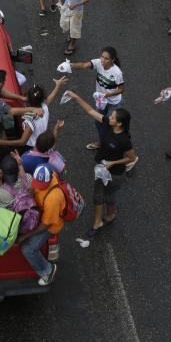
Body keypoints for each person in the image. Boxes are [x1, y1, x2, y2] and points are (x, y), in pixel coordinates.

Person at [63, 91, 136, 237]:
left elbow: (131, 158)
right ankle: (98, 222)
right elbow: (90, 111)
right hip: (102, 168)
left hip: (115, 173)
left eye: (113, 117)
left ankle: (110, 216)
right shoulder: (109, 124)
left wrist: (113, 163)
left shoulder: (123, 140)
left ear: (119, 123)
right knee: (98, 195)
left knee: (110, 196)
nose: (110, 117)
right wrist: (76, 96)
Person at [17, 164, 66, 285]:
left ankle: (47, 271)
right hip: (40, 212)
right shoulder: (45, 175)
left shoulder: (53, 198)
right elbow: (31, 186)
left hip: (50, 224)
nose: (38, 187)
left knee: (28, 249)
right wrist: (20, 166)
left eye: (41, 186)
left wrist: (25, 236)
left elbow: (45, 225)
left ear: (49, 181)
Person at [69, 47, 125, 150]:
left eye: (106, 58)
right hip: (102, 101)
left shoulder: (117, 73)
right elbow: (84, 65)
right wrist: (71, 65)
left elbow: (121, 89)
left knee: (111, 126)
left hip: (114, 103)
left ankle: (120, 149)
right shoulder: (98, 63)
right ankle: (101, 142)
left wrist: (106, 95)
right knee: (98, 122)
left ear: (112, 60)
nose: (103, 60)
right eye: (102, 57)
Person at [0, 78, 66, 149]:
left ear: (27, 101)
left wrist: (1, 142)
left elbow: (22, 142)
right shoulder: (44, 107)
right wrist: (57, 86)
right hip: (41, 143)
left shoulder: (31, 121)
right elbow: (51, 97)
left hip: (32, 147)